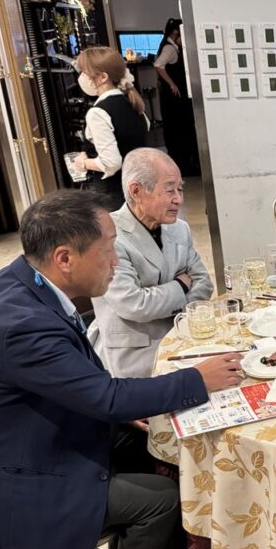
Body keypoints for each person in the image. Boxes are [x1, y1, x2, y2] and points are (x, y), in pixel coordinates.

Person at [0, 190, 243, 549]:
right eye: (108, 250)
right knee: (161, 501)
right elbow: (106, 398)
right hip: (14, 486)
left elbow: (82, 386)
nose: (116, 262)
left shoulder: (24, 281)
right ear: (65, 258)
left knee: (155, 445)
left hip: (37, 440)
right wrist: (198, 380)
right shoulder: (21, 325)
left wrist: (120, 408)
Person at [89, 148, 212, 377]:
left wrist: (160, 303)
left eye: (180, 189)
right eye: (170, 190)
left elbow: (203, 284)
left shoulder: (179, 228)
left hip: (183, 335)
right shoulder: (108, 234)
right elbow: (133, 304)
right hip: (136, 352)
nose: (179, 199)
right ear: (136, 191)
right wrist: (180, 286)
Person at [73, 47, 149, 209]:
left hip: (114, 195)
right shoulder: (133, 104)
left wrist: (84, 163)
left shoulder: (98, 112)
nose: (82, 78)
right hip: (140, 188)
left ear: (103, 77)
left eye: (85, 73)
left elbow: (111, 163)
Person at [154, 18, 199, 177]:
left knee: (177, 127)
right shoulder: (170, 48)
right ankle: (183, 163)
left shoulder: (167, 45)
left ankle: (183, 162)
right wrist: (171, 84)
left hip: (171, 97)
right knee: (180, 127)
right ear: (175, 32)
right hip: (175, 98)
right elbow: (158, 65)